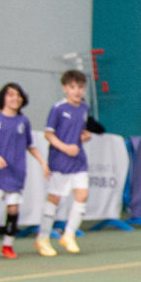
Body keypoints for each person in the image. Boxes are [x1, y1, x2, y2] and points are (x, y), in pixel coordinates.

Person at [36, 68, 100, 258]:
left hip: (78, 160)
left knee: (82, 195)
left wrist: (84, 136)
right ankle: (43, 238)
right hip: (60, 160)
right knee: (54, 199)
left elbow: (79, 131)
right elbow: (49, 134)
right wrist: (65, 148)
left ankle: (69, 234)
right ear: (65, 88)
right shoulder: (57, 109)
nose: (77, 91)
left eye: (80, 87)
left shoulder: (84, 108)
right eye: (72, 87)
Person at [0, 83, 41, 259]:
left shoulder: (23, 121)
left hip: (16, 173)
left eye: (18, 95)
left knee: (13, 209)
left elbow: (31, 145)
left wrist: (43, 163)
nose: (15, 98)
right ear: (3, 97)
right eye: (11, 95)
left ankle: (7, 245)